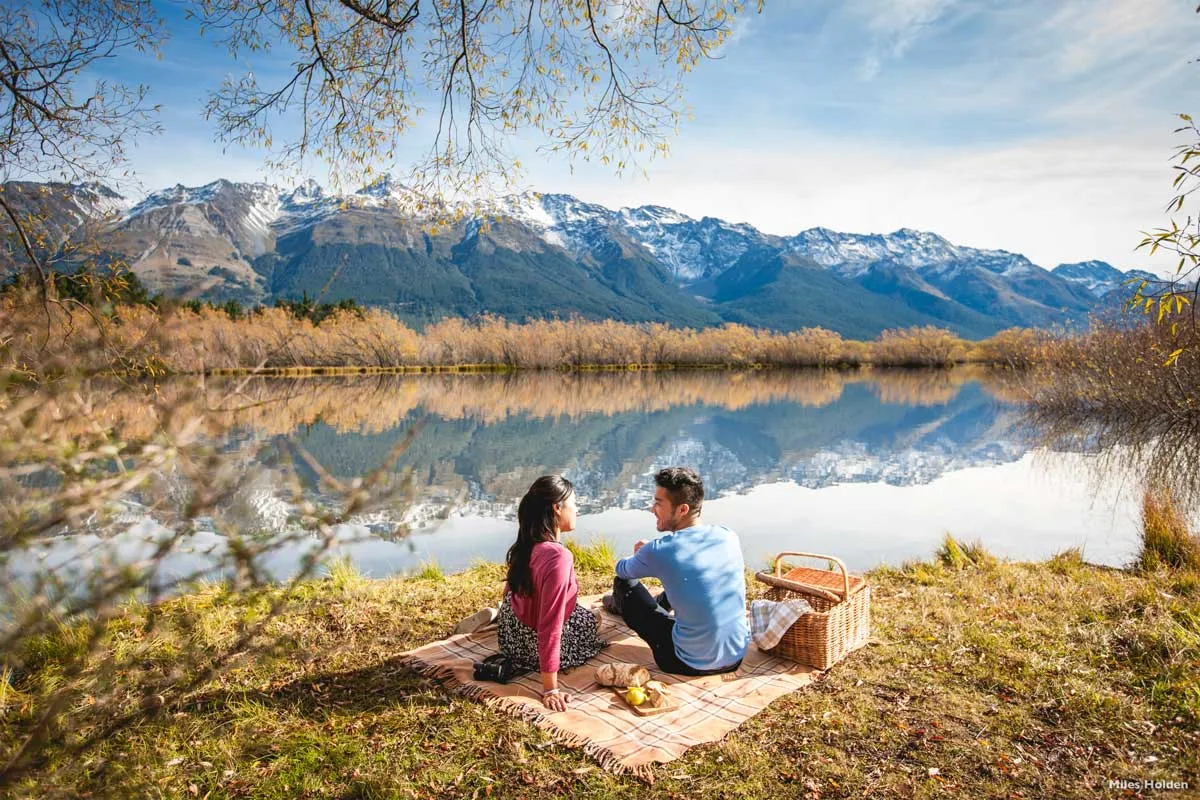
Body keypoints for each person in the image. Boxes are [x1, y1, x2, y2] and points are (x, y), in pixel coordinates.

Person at [602, 466, 749, 676]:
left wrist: (642, 554)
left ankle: (618, 604)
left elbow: (622, 570)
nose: (652, 509)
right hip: (735, 657)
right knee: (687, 579)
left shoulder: (661, 550)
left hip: (686, 662)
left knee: (623, 584)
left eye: (658, 503)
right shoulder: (728, 535)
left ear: (682, 510)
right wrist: (653, 554)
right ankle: (649, 604)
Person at [497, 475, 607, 710]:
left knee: (580, 611)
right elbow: (550, 625)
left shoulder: (528, 541)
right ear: (557, 508)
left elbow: (509, 590)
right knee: (591, 621)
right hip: (531, 651)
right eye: (574, 503)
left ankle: (495, 615)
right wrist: (550, 688)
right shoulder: (558, 557)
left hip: (509, 637)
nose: (577, 509)